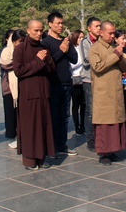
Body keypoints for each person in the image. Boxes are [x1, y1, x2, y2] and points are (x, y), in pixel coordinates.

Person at [13, 20, 56, 170]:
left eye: (41, 30)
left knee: (43, 125)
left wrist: (46, 59)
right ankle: (30, 160)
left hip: (43, 92)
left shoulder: (44, 47)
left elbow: (51, 69)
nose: (39, 33)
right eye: (36, 30)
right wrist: (37, 61)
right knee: (30, 127)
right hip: (28, 95)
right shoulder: (20, 49)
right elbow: (18, 71)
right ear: (28, 30)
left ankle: (42, 157)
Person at [88, 21, 126, 165]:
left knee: (116, 122)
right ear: (101, 33)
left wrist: (121, 55)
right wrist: (115, 54)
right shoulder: (95, 48)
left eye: (114, 33)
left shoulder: (115, 47)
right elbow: (98, 67)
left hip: (116, 91)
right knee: (104, 124)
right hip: (103, 93)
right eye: (110, 33)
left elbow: (124, 68)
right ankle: (104, 154)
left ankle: (114, 151)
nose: (113, 36)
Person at [41, 11, 79, 157]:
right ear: (50, 24)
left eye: (62, 23)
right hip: (52, 84)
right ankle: (52, 146)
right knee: (53, 117)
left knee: (64, 116)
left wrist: (66, 49)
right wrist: (61, 51)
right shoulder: (45, 43)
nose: (60, 26)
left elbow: (74, 59)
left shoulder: (65, 41)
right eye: (58, 23)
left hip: (66, 83)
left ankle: (62, 144)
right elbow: (47, 63)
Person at [0, 29, 27, 149]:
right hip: (9, 87)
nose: (20, 44)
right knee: (10, 113)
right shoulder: (6, 51)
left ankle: (22, 135)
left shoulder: (25, 50)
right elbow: (5, 64)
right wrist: (20, 63)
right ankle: (11, 136)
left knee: (21, 113)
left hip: (22, 85)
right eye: (19, 41)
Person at [80, 17, 101, 151]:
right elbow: (87, 61)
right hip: (89, 80)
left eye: (100, 26)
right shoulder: (85, 42)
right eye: (96, 26)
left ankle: (101, 137)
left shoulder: (103, 40)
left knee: (101, 111)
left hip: (102, 80)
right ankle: (91, 140)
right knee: (90, 111)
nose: (99, 28)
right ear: (89, 28)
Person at [68, 30, 86, 136]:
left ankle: (83, 124)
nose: (81, 39)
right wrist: (82, 62)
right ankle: (77, 125)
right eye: (79, 37)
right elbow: (72, 64)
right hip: (75, 78)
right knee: (76, 104)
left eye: (83, 37)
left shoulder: (85, 48)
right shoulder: (72, 49)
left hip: (84, 78)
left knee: (84, 104)